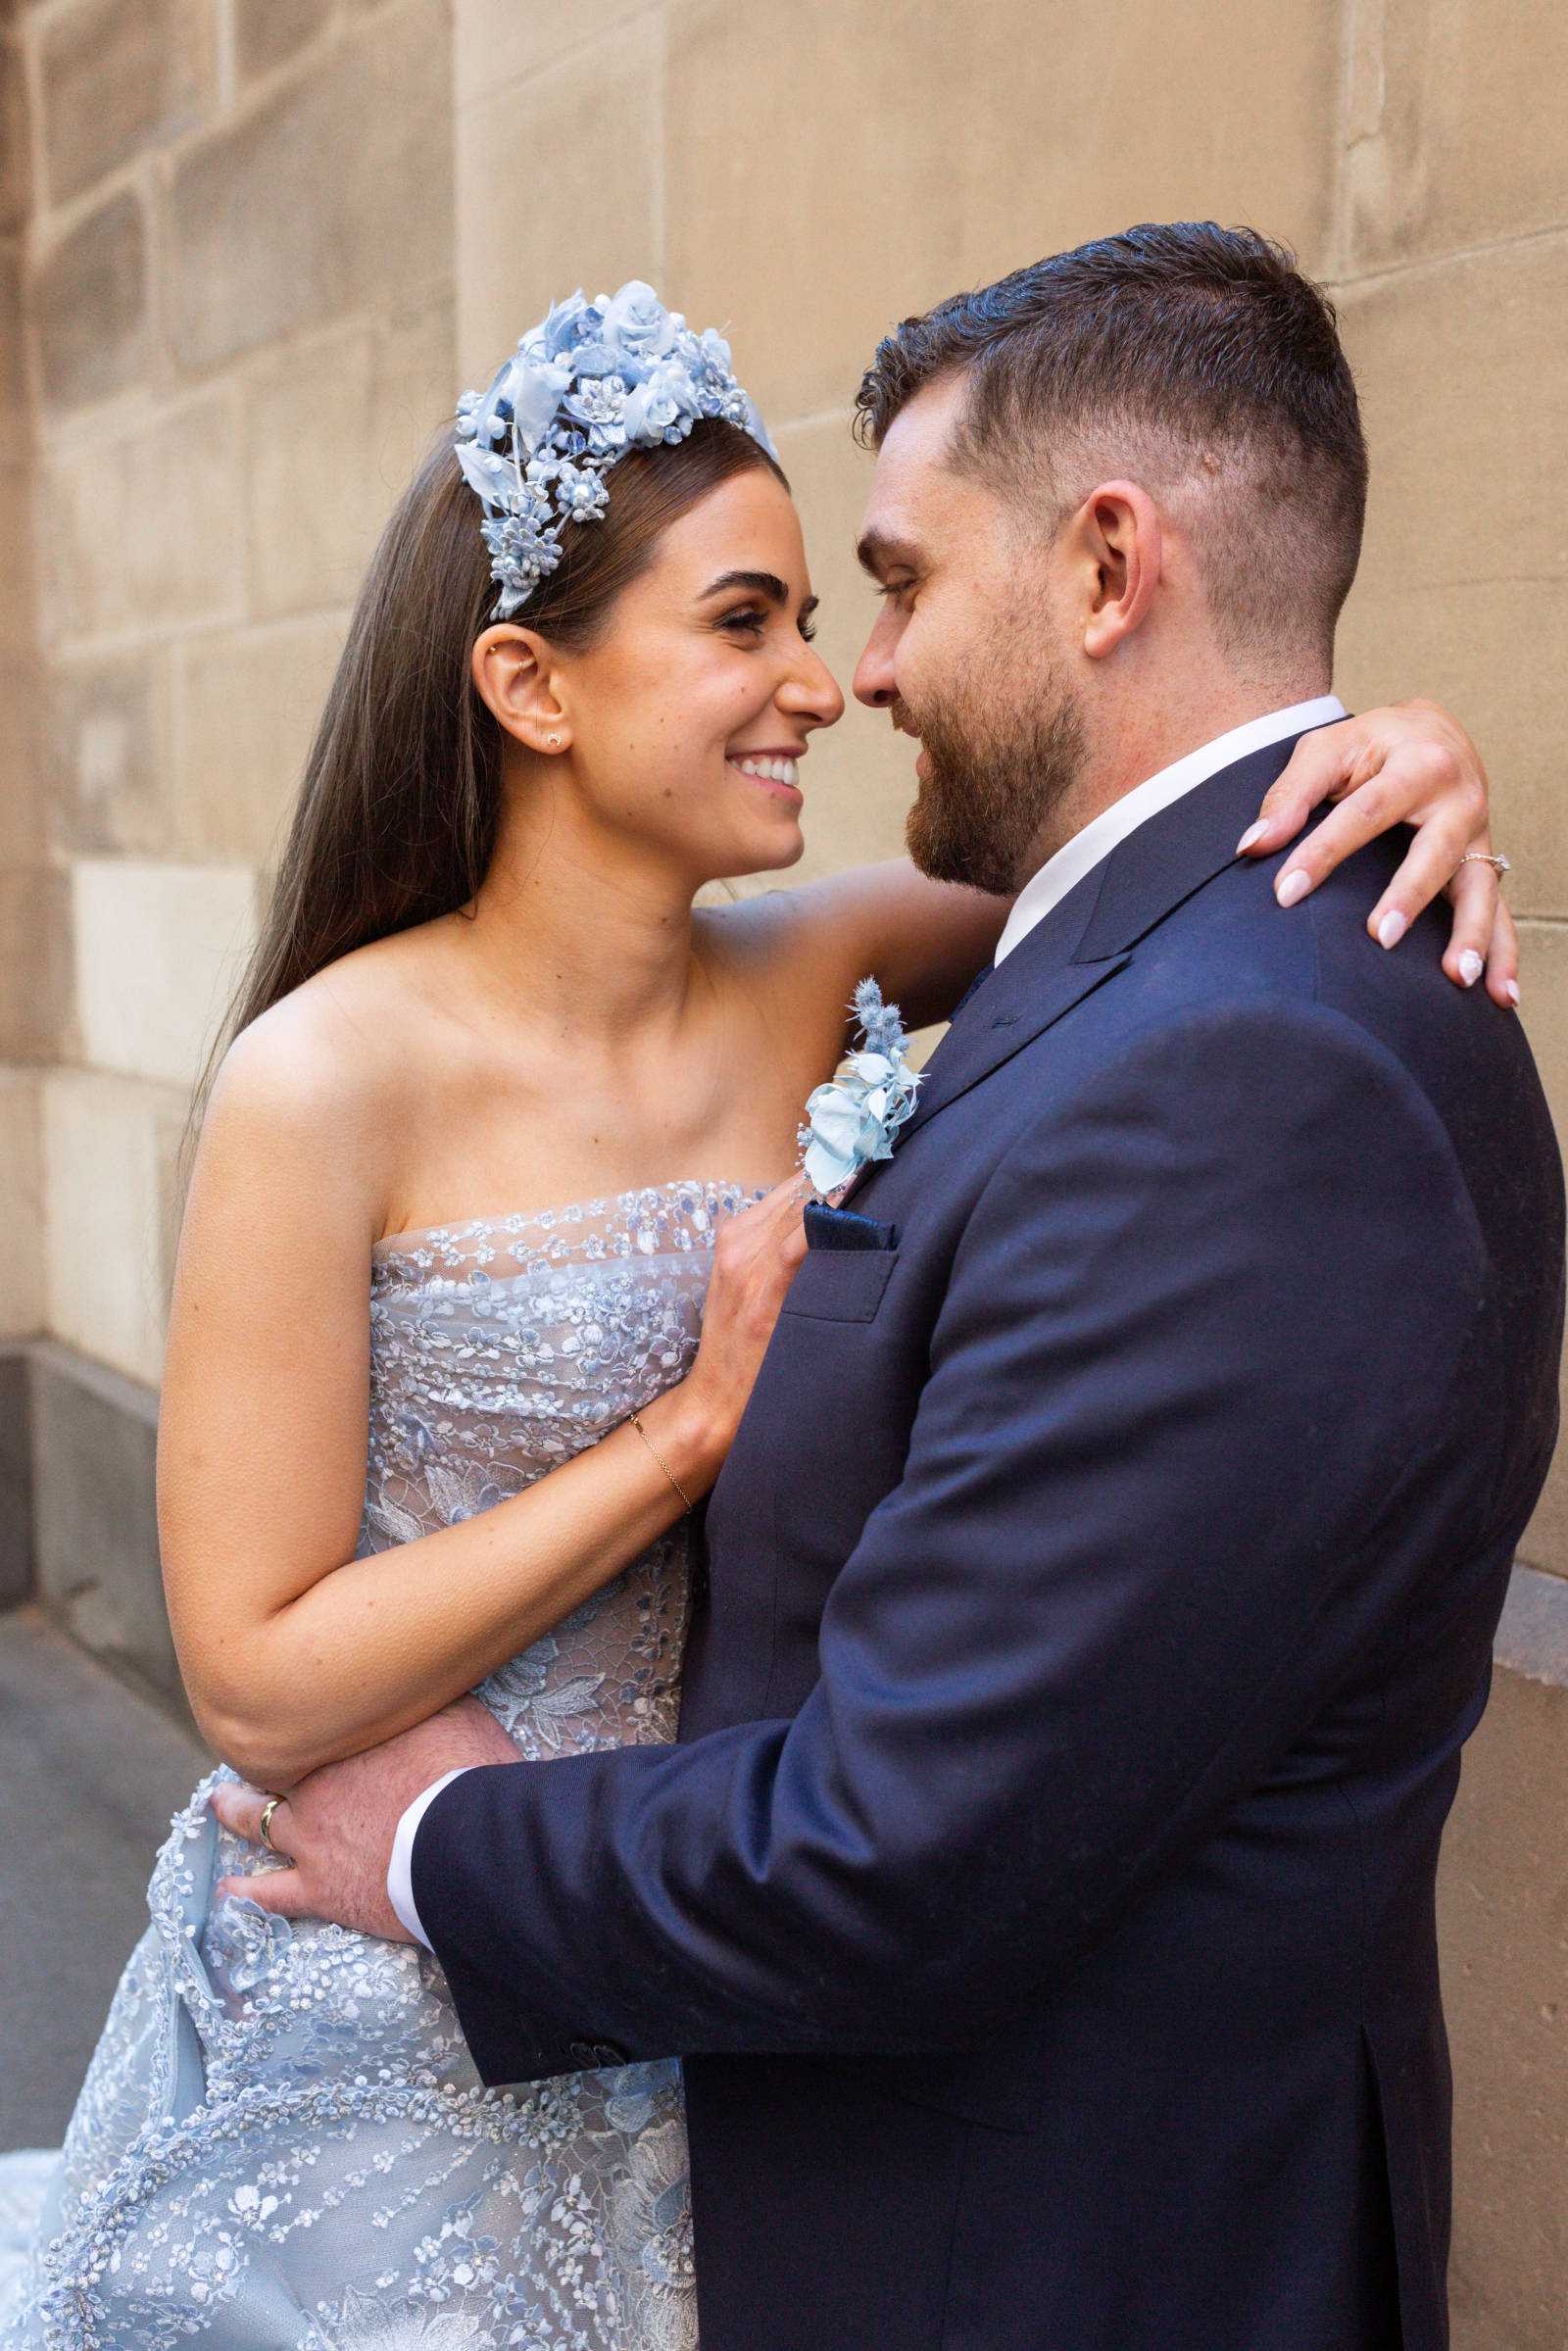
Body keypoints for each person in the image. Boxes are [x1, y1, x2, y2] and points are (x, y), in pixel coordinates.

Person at [0, 262, 1525, 2350]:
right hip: (398, 1951)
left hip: (704, 1982)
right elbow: (253, 1680)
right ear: (529, 688)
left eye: (838, 604)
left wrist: (1389, 748)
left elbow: (1164, 845)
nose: (831, 677)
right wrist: (682, 1435)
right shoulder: (322, 1080)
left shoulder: (833, 965)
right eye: (750, 621)